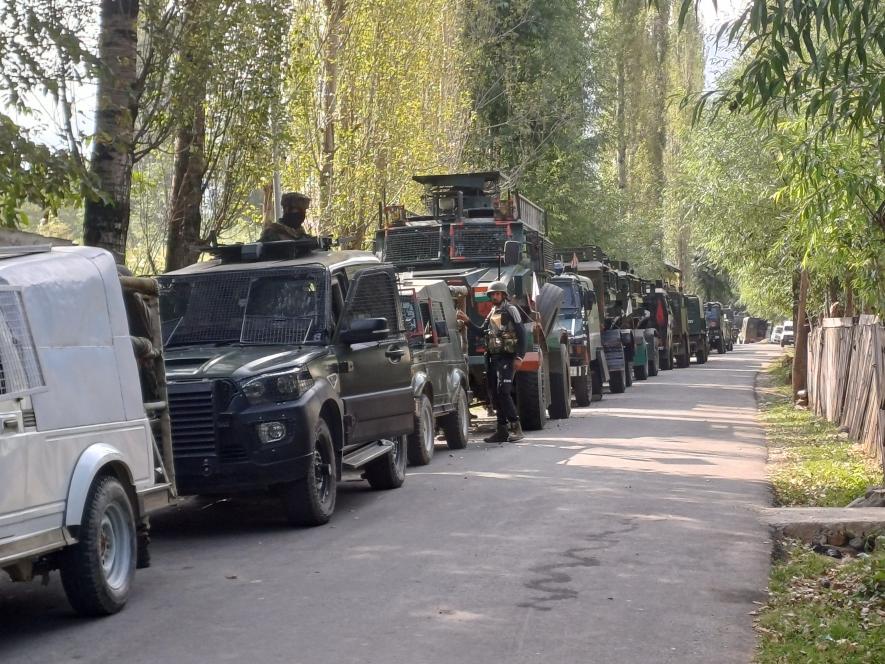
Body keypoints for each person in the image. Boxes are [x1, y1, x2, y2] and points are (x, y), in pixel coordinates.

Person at [456, 281, 526, 443]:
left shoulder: (511, 310)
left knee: (504, 390)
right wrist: (467, 321)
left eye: (497, 294)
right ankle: (502, 430)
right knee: (495, 394)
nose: (494, 296)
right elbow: (481, 332)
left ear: (503, 295)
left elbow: (521, 333)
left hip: (507, 357)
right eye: (492, 294)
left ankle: (516, 428)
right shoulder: (493, 311)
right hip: (493, 358)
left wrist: (520, 357)